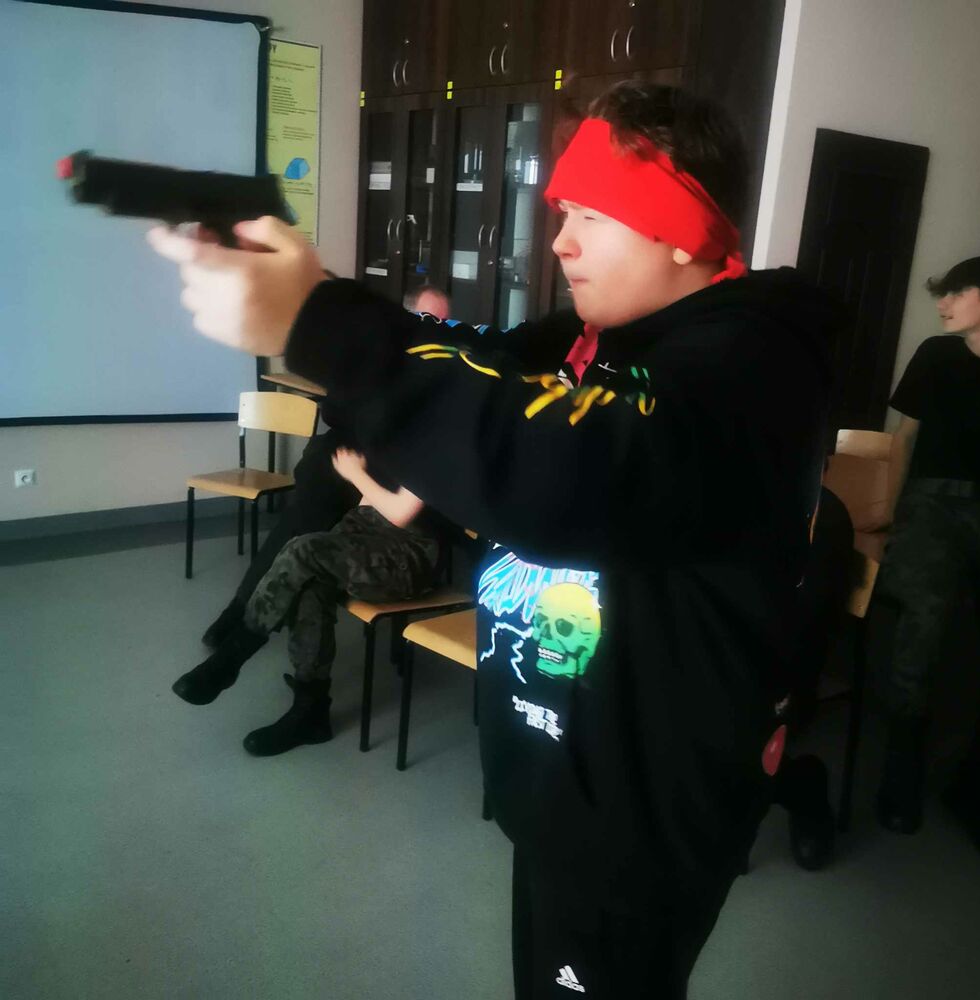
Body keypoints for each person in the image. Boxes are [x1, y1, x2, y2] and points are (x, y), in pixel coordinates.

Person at [150, 82, 845, 998]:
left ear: (682, 230)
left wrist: (318, 322)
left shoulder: (748, 363)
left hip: (639, 806)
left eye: (591, 215)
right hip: (561, 776)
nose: (560, 242)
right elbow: (472, 362)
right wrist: (313, 293)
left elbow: (568, 465)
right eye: (562, 213)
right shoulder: (593, 336)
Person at [199, 286, 454, 651]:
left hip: (393, 476)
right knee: (303, 517)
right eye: (427, 318)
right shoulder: (377, 351)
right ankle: (241, 609)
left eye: (444, 321)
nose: (436, 327)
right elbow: (335, 410)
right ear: (407, 316)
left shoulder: (448, 367)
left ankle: (259, 613)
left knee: (335, 530)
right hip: (349, 457)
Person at [172, 447, 442, 756]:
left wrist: (355, 472)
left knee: (303, 551)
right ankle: (311, 711)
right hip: (368, 533)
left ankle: (230, 659)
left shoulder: (441, 440)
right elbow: (373, 501)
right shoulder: (402, 433)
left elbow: (401, 512)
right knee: (310, 583)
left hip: (407, 556)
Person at [863, 256, 980, 863]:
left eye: (955, 292)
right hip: (931, 505)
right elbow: (904, 439)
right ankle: (901, 773)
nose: (942, 304)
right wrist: (891, 513)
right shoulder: (936, 355)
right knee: (922, 625)